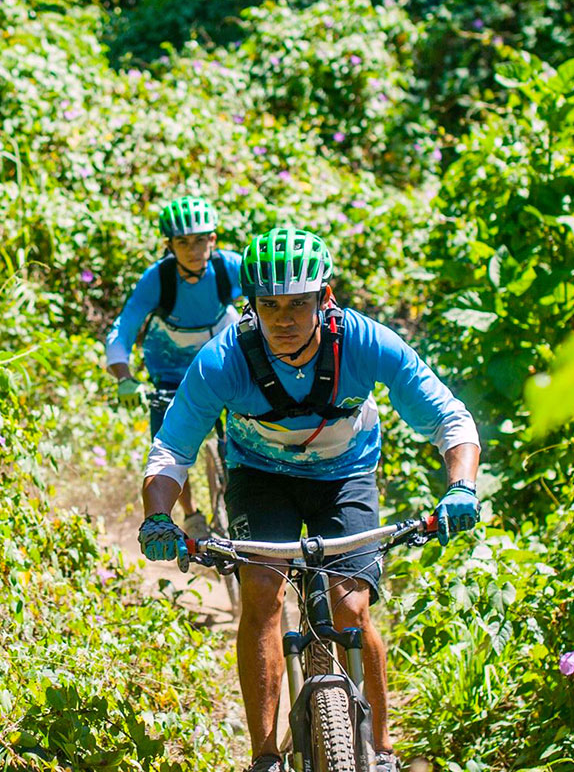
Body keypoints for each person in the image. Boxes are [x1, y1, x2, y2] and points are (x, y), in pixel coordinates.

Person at [136, 226, 481, 772]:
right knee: (263, 593)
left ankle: (383, 749)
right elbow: (172, 452)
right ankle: (264, 756)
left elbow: (450, 418)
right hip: (260, 475)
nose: (284, 319)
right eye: (269, 305)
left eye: (298, 304)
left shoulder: (367, 344)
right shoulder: (222, 359)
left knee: (351, 607)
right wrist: (158, 517)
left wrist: (462, 486)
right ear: (251, 305)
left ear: (326, 298)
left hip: (346, 474)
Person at [106, 196, 243, 540]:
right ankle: (191, 513)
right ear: (169, 245)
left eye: (201, 240)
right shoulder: (158, 278)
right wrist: (123, 374)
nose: (193, 250)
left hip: (222, 359)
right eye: (183, 242)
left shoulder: (230, 268)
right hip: (170, 366)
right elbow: (124, 328)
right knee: (169, 443)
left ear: (213, 240)